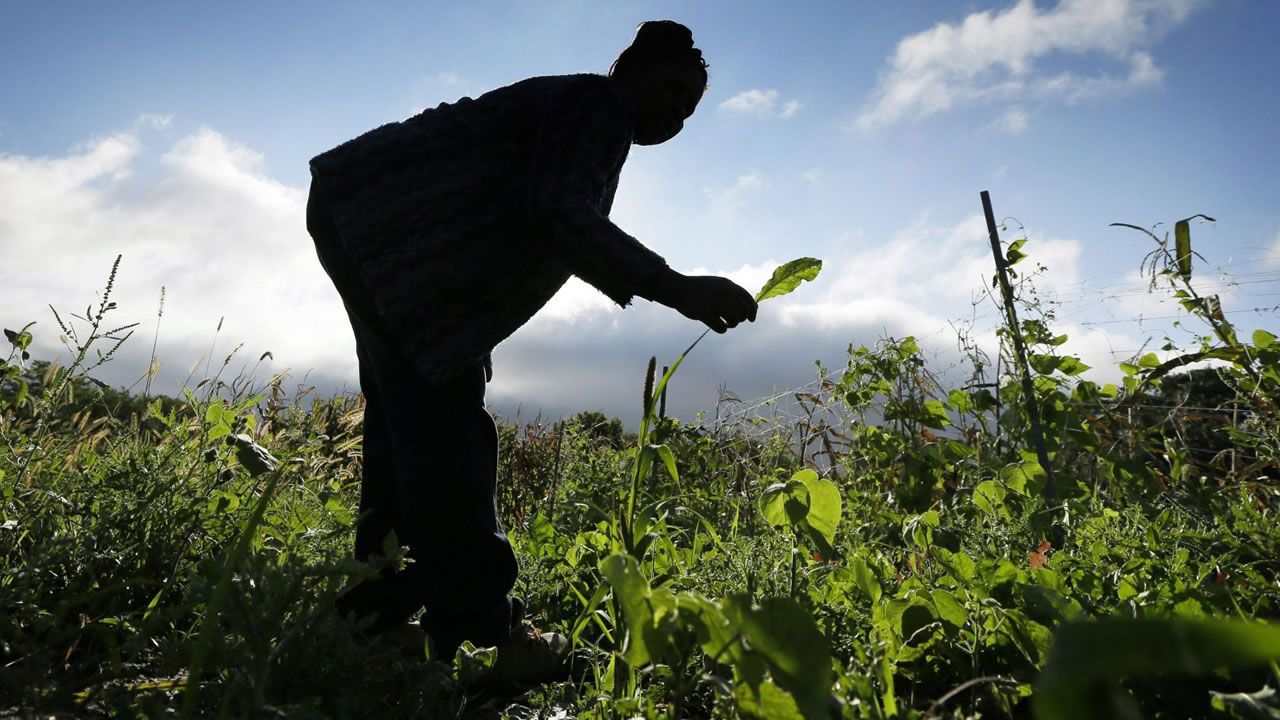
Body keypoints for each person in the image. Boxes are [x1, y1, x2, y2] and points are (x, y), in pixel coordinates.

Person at [305, 20, 756, 687]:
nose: (675, 115)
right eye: (671, 89)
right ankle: (487, 632)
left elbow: (537, 211)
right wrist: (673, 286)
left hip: (364, 219)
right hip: (389, 234)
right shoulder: (599, 106)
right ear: (627, 67)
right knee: (445, 427)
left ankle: (376, 615)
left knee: (409, 422)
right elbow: (558, 211)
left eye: (689, 110)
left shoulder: (579, 109)